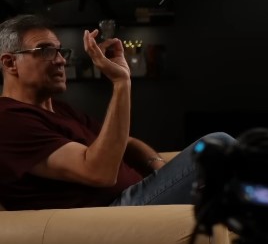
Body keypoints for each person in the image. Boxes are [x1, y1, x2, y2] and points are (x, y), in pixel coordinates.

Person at [0, 14, 232, 210]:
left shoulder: (60, 110)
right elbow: (99, 172)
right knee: (218, 145)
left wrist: (161, 169)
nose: (61, 60)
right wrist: (122, 82)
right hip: (111, 215)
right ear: (10, 63)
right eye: (45, 51)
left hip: (140, 194)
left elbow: (125, 143)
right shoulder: (8, 120)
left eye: (61, 51)